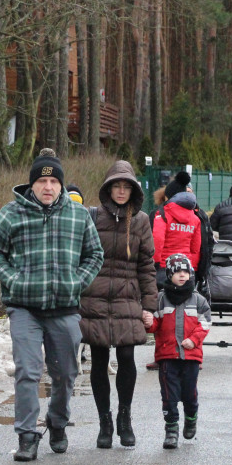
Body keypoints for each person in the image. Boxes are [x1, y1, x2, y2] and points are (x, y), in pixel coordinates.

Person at [0, 148, 104, 462]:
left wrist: (77, 282)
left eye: (53, 182)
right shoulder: (12, 213)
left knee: (65, 373)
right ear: (32, 184)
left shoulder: (78, 216)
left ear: (61, 186)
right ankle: (26, 435)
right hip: (24, 307)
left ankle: (58, 422)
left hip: (64, 308)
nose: (47, 187)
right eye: (41, 181)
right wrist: (13, 279)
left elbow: (95, 255)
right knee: (27, 370)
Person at [78, 160, 158, 449]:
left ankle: (125, 418)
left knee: (126, 357)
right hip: (94, 297)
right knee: (98, 360)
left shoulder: (141, 221)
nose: (121, 191)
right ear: (108, 188)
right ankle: (104, 422)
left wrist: (149, 305)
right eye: (117, 186)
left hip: (127, 297)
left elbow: (147, 266)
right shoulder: (92, 216)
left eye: (126, 187)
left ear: (133, 190)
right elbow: (81, 257)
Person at [143, 253, 211, 449]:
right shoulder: (161, 299)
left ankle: (191, 418)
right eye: (178, 271)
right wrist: (148, 322)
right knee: (169, 395)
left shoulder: (198, 300)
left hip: (190, 356)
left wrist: (194, 340)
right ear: (169, 274)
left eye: (186, 271)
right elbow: (155, 324)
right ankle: (171, 430)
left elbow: (205, 322)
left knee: (190, 393)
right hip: (167, 356)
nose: (182, 275)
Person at [152, 171, 202, 276]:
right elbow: (196, 248)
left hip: (165, 267)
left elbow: (158, 240)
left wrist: (155, 263)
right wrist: (192, 267)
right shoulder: (195, 218)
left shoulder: (162, 214)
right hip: (186, 269)